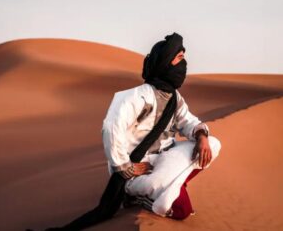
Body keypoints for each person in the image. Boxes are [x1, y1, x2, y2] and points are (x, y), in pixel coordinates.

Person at [37, 32, 221, 231]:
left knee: (212, 144)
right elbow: (111, 127)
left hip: (167, 157)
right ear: (165, 62)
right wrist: (125, 167)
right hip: (140, 167)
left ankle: (171, 182)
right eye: (179, 58)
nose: (183, 64)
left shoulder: (175, 98)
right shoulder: (137, 96)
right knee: (179, 209)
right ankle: (136, 193)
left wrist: (201, 136)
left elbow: (188, 121)